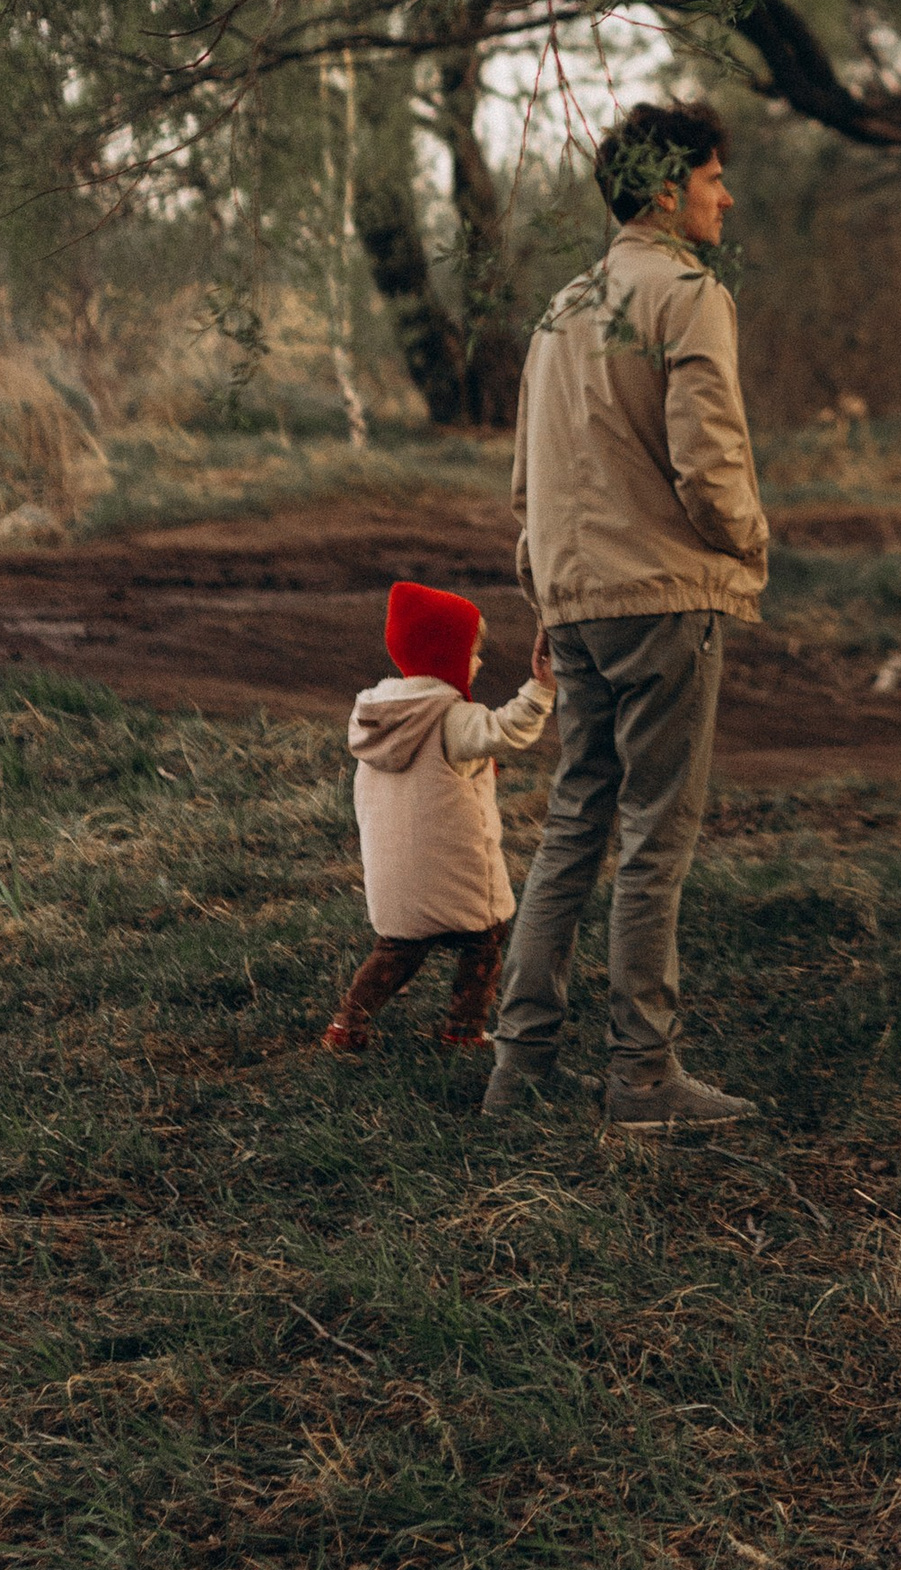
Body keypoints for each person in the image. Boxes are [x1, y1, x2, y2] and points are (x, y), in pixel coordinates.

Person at [487, 98, 769, 1130]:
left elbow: (529, 481)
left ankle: (516, 1069)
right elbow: (708, 464)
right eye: (710, 178)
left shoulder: (561, 308)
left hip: (575, 600)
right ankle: (643, 1080)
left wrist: (549, 590)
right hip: (662, 599)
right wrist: (747, 541)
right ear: (665, 191)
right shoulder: (688, 292)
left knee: (574, 822)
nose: (724, 195)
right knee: (654, 837)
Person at [323, 581, 554, 1056]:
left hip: (397, 872)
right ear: (445, 653)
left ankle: (346, 1026)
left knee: (399, 947)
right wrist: (541, 686)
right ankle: (463, 1031)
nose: (479, 662)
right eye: (472, 651)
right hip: (453, 868)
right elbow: (508, 730)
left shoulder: (376, 711)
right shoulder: (449, 717)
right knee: (484, 940)